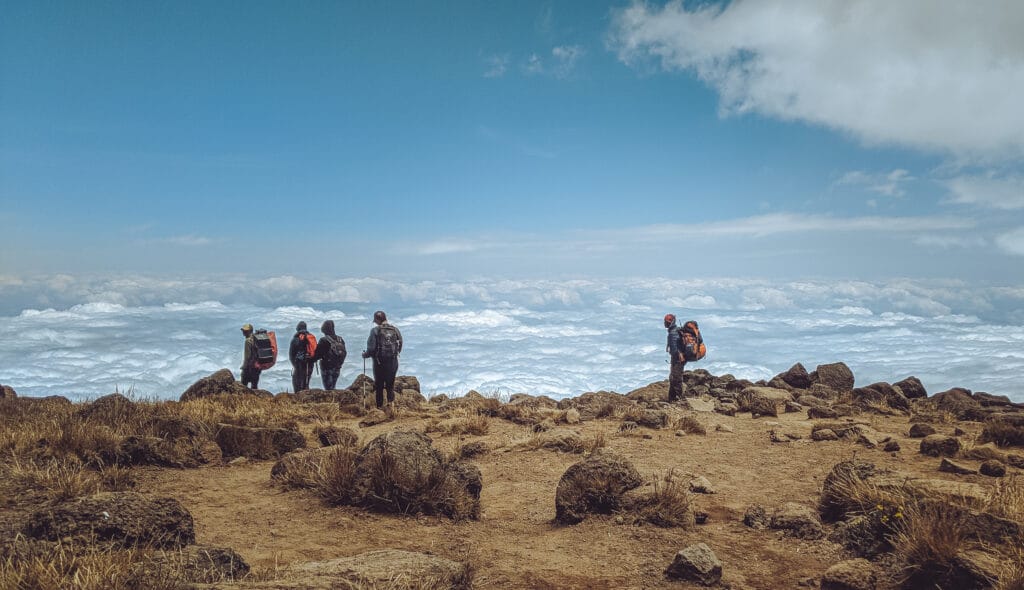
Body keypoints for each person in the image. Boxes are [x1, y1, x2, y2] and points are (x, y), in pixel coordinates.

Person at [362, 310, 402, 408]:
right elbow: (400, 344)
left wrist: (365, 355)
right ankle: (391, 408)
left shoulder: (375, 331)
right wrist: (394, 355)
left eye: (375, 320)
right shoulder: (395, 330)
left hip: (379, 362)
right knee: (390, 385)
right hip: (393, 362)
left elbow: (371, 349)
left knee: (379, 386)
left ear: (377, 320)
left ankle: (379, 409)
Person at [311, 319, 347, 390]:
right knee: (333, 386)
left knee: (328, 389)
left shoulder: (324, 340)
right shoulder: (340, 339)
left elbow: (318, 354)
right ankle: (334, 399)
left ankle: (331, 400)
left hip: (326, 367)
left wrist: (310, 359)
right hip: (337, 367)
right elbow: (344, 353)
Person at [289, 321, 316, 392]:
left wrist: (295, 364)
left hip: (299, 363)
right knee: (306, 381)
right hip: (310, 363)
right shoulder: (310, 337)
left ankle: (298, 397)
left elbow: (291, 354)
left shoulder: (295, 339)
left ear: (298, 328)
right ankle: (305, 394)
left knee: (297, 382)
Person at [664, 313, 686, 401]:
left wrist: (678, 355)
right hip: (678, 358)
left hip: (678, 358)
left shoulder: (673, 333)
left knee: (676, 377)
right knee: (673, 377)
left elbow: (675, 348)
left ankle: (679, 399)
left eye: (666, 322)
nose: (665, 323)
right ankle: (672, 398)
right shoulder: (675, 331)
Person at [240, 323, 261, 389]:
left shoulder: (248, 341)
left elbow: (247, 357)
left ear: (249, 331)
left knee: (243, 386)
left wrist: (244, 367)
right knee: (254, 386)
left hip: (249, 367)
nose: (243, 332)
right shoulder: (256, 338)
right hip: (257, 367)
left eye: (245, 330)